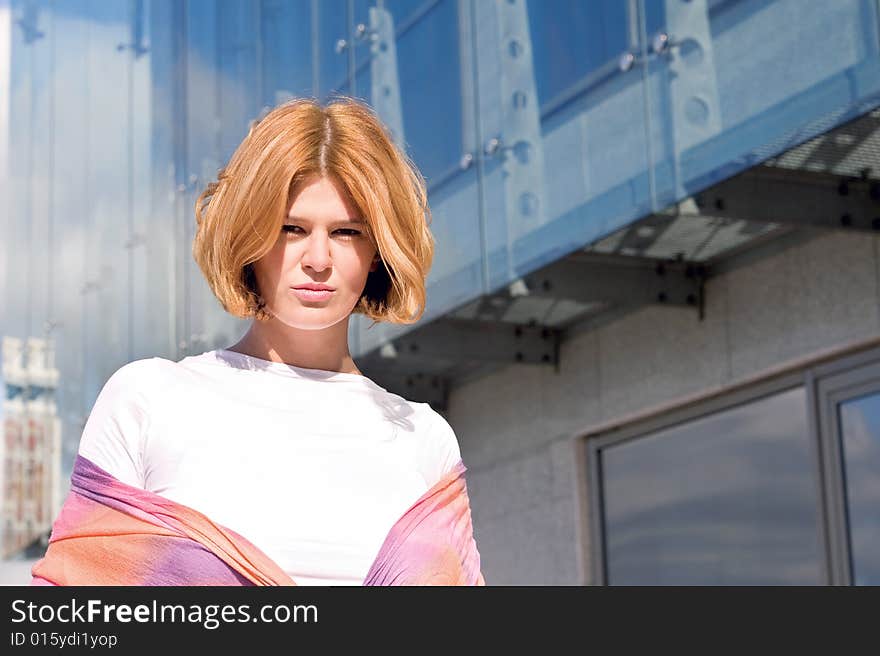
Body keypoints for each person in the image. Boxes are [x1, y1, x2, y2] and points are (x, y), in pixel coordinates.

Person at [30, 96, 485, 586]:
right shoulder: (150, 400)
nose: (318, 258)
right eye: (292, 229)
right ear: (251, 237)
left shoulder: (424, 437)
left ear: (377, 250)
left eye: (346, 232)